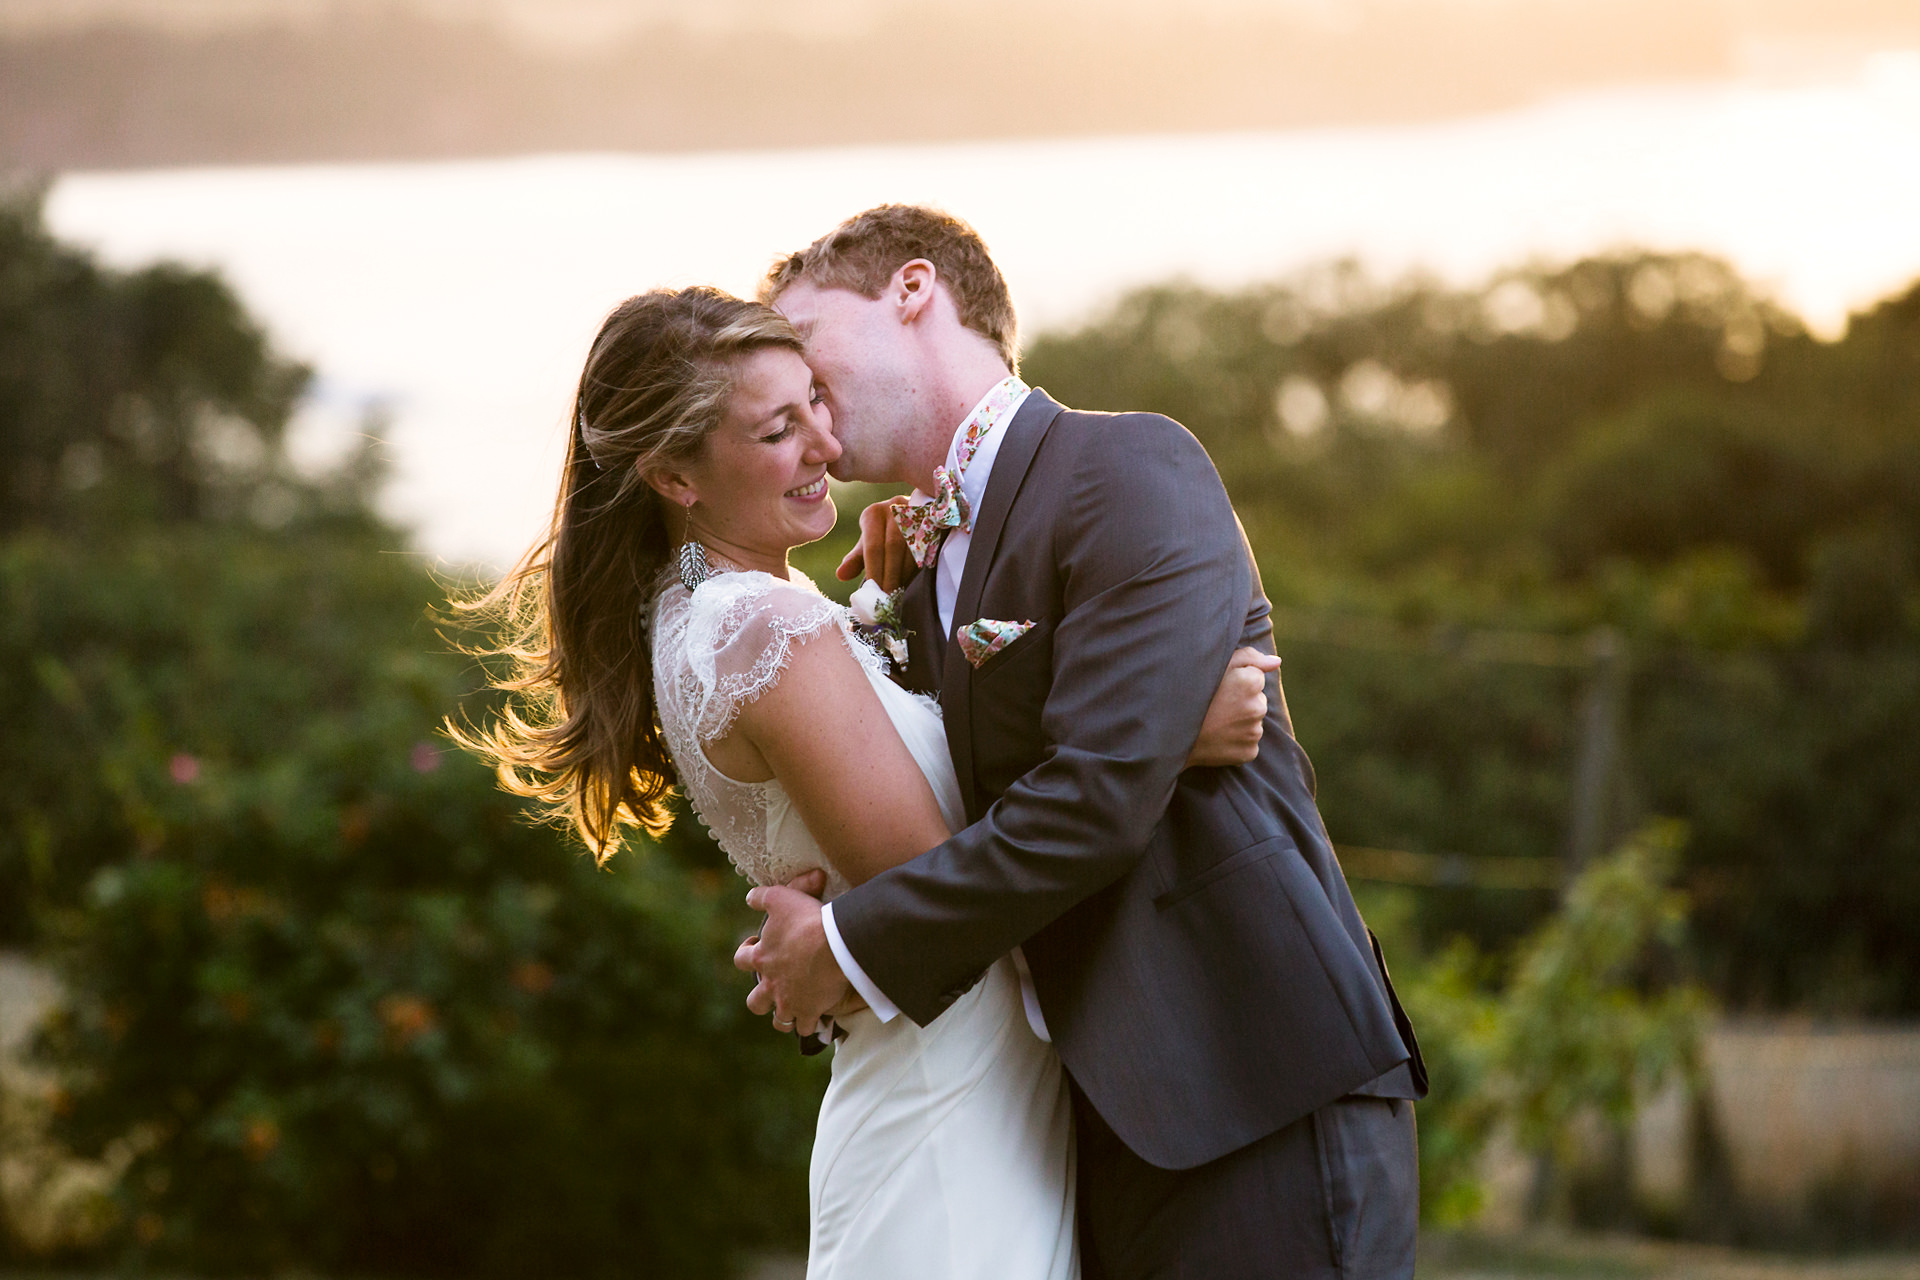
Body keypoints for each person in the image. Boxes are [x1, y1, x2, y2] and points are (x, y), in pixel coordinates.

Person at [456, 285, 1272, 1278]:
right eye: (776, 429)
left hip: (971, 1091)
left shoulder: (726, 610)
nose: (826, 447)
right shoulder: (766, 631)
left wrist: (907, 606)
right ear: (674, 473)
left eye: (815, 402)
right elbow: (939, 882)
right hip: (947, 1118)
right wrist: (1161, 736)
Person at [738, 205, 1428, 1279]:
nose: (809, 410)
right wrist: (1160, 733)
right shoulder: (912, 571)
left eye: (808, 347)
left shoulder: (1124, 462)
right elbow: (997, 787)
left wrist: (849, 945)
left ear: (912, 290)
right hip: (1076, 1128)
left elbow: (1094, 797)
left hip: (1255, 1084)